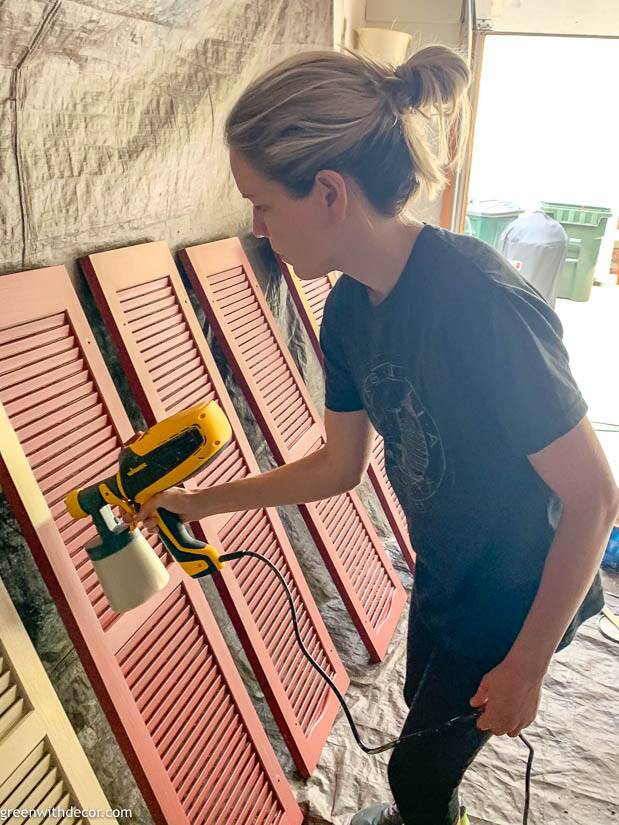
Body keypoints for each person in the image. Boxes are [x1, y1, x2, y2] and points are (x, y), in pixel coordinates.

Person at [137, 45, 617, 825]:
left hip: (516, 596)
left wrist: (528, 660)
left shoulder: (479, 303)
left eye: (262, 203)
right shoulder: (351, 312)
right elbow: (337, 464)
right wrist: (197, 501)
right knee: (417, 716)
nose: (256, 229)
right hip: (445, 572)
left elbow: (594, 497)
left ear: (328, 190)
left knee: (415, 775)